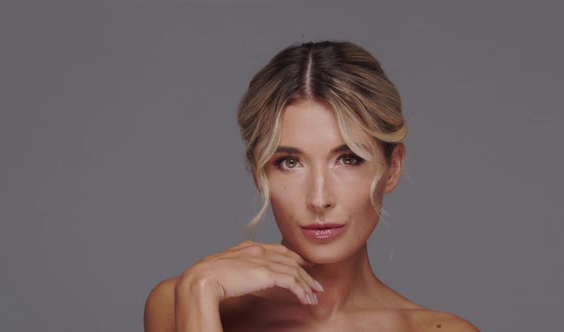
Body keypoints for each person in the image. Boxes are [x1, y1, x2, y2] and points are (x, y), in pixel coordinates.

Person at [144, 41, 478, 332]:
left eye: (348, 159)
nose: (319, 199)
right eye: (290, 162)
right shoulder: (183, 301)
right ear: (259, 173)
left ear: (393, 168)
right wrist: (199, 292)